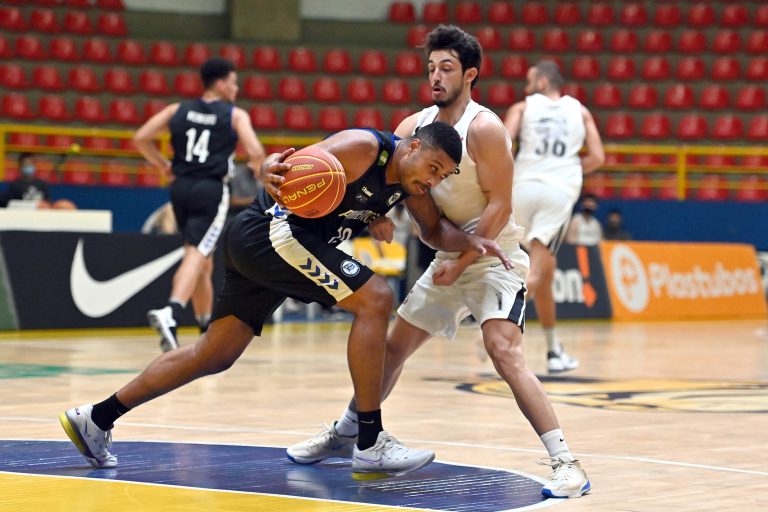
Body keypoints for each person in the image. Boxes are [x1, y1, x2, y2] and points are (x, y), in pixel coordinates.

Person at [59, 121, 513, 480]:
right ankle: (369, 441)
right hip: (273, 233)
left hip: (264, 245)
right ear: (412, 147)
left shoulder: (407, 185)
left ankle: (97, 417)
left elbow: (433, 230)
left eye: (442, 176)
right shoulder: (363, 147)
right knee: (376, 298)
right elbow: (291, 167)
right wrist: (268, 168)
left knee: (214, 353)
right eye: (432, 168)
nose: (432, 180)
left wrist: (473, 242)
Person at [287, 26, 590, 499]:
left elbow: (501, 206)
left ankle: (567, 463)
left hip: (495, 259)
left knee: (503, 351)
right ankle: (350, 429)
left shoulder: (485, 128)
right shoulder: (414, 127)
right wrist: (378, 215)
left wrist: (465, 259)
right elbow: (393, 180)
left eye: (446, 68)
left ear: (470, 75)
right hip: (449, 255)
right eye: (431, 68)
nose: (435, 76)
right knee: (391, 349)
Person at [134, 57, 265, 352]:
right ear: (221, 84)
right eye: (233, 82)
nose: (236, 88)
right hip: (210, 189)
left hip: (180, 188)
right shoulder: (235, 115)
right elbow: (255, 151)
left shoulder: (176, 110)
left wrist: (163, 165)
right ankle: (171, 311)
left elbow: (141, 138)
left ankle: (205, 327)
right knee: (197, 252)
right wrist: (259, 171)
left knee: (203, 260)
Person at [504, 61, 605, 373]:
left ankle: (553, 350)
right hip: (558, 191)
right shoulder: (581, 111)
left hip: (521, 188)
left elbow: (503, 145)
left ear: (543, 82)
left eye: (530, 80)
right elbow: (598, 157)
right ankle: (503, 322)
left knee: (545, 268)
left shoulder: (522, 107)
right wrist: (569, 169)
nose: (526, 87)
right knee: (539, 266)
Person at [1, 152, 76, 209]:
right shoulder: (14, 185)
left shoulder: (42, 184)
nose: (28, 166)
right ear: (20, 166)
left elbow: (48, 202)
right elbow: (9, 205)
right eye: (25, 164)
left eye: (30, 164)